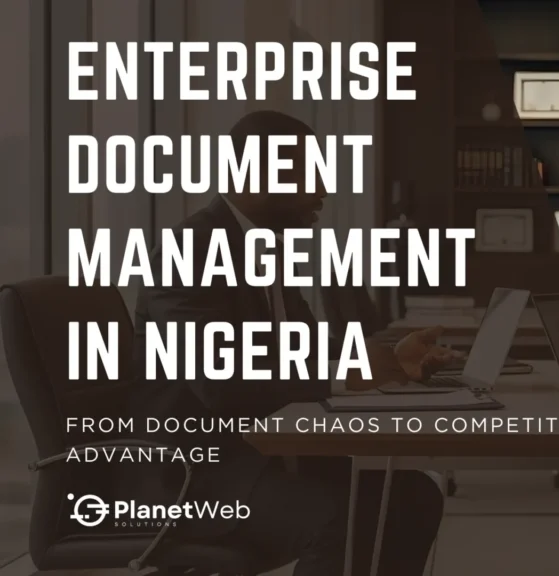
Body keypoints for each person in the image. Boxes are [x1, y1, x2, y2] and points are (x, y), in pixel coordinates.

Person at [127, 110, 453, 576]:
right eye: (310, 173)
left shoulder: (264, 248)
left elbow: (307, 346)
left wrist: (391, 360)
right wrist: (344, 375)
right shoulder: (191, 248)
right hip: (197, 473)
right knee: (338, 517)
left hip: (259, 454)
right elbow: (220, 381)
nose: (324, 189)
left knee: (413, 496)